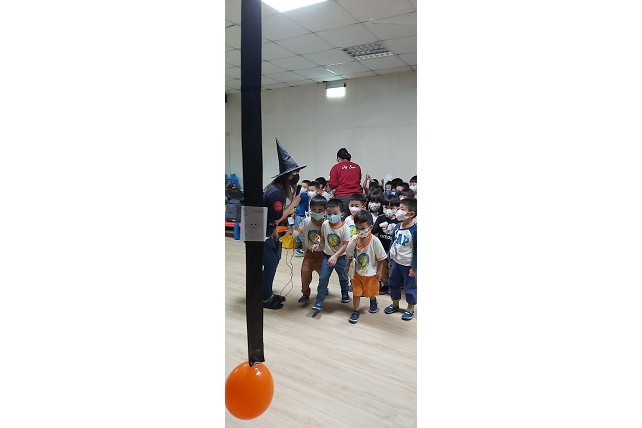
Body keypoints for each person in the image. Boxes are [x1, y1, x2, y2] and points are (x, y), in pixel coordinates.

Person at [261, 138, 304, 310]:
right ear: (288, 175)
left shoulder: (280, 190)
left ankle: (265, 291)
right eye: (295, 173)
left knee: (275, 259)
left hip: (267, 230)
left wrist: (273, 230)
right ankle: (265, 297)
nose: (297, 176)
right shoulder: (275, 193)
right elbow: (276, 218)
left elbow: (273, 218)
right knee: (270, 263)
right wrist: (294, 202)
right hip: (258, 233)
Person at [344, 210, 387, 324]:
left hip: (371, 273)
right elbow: (349, 254)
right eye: (357, 228)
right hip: (357, 273)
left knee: (370, 291)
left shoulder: (375, 241)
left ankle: (373, 301)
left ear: (370, 227)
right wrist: (348, 265)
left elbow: (381, 258)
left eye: (363, 228)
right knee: (356, 292)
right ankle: (356, 310)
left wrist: (380, 271)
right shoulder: (354, 240)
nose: (360, 231)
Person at [310, 198, 351, 312]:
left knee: (343, 277)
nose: (332, 216)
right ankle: (319, 301)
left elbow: (345, 245)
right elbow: (323, 238)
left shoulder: (345, 228)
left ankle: (345, 293)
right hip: (327, 257)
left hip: (341, 258)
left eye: (335, 213)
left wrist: (336, 256)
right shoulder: (325, 224)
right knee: (323, 279)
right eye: (329, 214)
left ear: (342, 214)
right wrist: (318, 244)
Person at [384, 198, 417, 321]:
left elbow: (418, 251)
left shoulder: (416, 231)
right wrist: (390, 258)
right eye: (398, 208)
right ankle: (395, 304)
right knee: (394, 283)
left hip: (408, 265)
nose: (398, 211)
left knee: (410, 287)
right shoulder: (398, 226)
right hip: (396, 262)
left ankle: (410, 308)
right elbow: (393, 243)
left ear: (411, 214)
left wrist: (414, 267)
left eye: (402, 209)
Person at [292, 195, 327, 304]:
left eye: (320, 210)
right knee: (305, 273)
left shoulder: (326, 224)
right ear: (310, 209)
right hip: (309, 254)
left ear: (325, 211)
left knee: (323, 276)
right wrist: (291, 233)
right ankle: (305, 294)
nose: (317, 212)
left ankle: (323, 291)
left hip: (322, 255)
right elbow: (298, 231)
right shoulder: (307, 221)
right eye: (314, 210)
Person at [372, 194, 401, 295]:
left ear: (398, 208)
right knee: (383, 268)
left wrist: (396, 227)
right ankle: (385, 284)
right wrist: (380, 225)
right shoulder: (381, 218)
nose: (388, 210)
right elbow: (373, 230)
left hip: (395, 250)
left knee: (393, 269)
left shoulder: (399, 220)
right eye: (386, 207)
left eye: (392, 208)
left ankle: (395, 284)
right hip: (382, 248)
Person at [328, 148, 362, 218]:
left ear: (339, 158)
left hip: (343, 197)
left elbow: (332, 184)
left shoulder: (336, 168)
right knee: (358, 219)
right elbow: (359, 180)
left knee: (343, 220)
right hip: (357, 197)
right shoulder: (357, 167)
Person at [293, 182, 310, 257]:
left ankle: (300, 248)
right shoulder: (302, 195)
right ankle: (298, 247)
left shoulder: (304, 195)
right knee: (298, 231)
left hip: (302, 216)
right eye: (301, 186)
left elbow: (294, 199)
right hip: (298, 214)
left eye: (304, 187)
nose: (302, 188)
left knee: (300, 232)